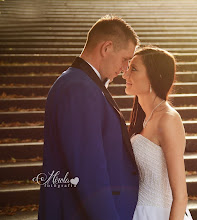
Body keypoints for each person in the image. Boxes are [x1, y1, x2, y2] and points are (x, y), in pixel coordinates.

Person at [38, 15, 140, 220]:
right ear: (106, 48)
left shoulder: (82, 84)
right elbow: (89, 171)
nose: (124, 69)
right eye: (125, 59)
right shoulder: (79, 89)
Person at [122, 46, 194, 220]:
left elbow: (181, 196)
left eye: (134, 69)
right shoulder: (145, 118)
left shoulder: (168, 119)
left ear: (155, 77)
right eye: (128, 67)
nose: (125, 74)